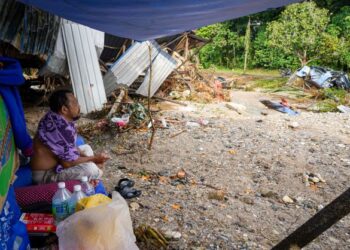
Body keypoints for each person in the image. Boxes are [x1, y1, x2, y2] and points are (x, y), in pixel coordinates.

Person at [31, 89, 110, 184]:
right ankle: (93, 177)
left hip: (58, 164)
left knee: (86, 148)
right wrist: (94, 159)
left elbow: (71, 148)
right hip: (46, 175)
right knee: (91, 169)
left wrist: (92, 159)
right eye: (75, 103)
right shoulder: (58, 129)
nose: (79, 106)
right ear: (64, 109)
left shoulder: (55, 117)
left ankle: (93, 176)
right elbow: (67, 163)